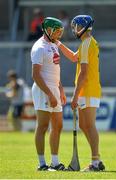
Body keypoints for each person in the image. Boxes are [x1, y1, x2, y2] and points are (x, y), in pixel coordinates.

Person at [55, 15, 105, 171]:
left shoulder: (87, 44)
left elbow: (83, 74)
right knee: (84, 125)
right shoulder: (87, 43)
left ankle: (95, 162)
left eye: (76, 26)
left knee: (90, 125)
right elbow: (73, 57)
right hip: (87, 90)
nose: (74, 29)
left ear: (82, 26)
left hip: (88, 89)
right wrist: (58, 43)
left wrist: (75, 96)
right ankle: (97, 158)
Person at [31, 17, 66, 171]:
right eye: (57, 31)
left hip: (54, 89)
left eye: (60, 31)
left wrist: (60, 90)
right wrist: (50, 94)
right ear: (48, 30)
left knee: (58, 126)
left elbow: (55, 71)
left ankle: (55, 162)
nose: (59, 34)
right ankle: (42, 163)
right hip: (42, 90)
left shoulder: (54, 45)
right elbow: (36, 75)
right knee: (43, 126)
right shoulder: (39, 47)